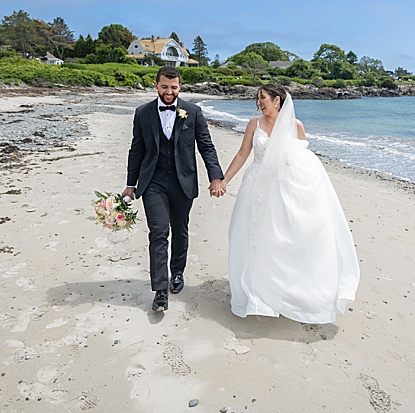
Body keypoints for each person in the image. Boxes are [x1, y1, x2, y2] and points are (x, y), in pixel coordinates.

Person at [220, 83, 359, 324]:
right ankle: (255, 293)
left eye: (263, 98)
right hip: (256, 188)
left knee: (280, 239)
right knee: (252, 236)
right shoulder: (254, 124)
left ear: (277, 100)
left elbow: (303, 161)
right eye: (257, 98)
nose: (259, 103)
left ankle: (283, 290)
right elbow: (243, 154)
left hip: (284, 189)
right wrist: (223, 181)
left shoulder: (296, 127)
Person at [122, 66, 225, 312]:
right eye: (165, 86)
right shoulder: (142, 113)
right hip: (153, 182)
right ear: (156, 85)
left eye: (174, 87)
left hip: (183, 181)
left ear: (180, 87)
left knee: (180, 229)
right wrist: (130, 184)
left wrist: (216, 178)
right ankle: (160, 290)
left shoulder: (193, 112)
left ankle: (177, 273)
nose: (169, 92)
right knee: (158, 232)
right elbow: (136, 149)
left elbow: (206, 147)